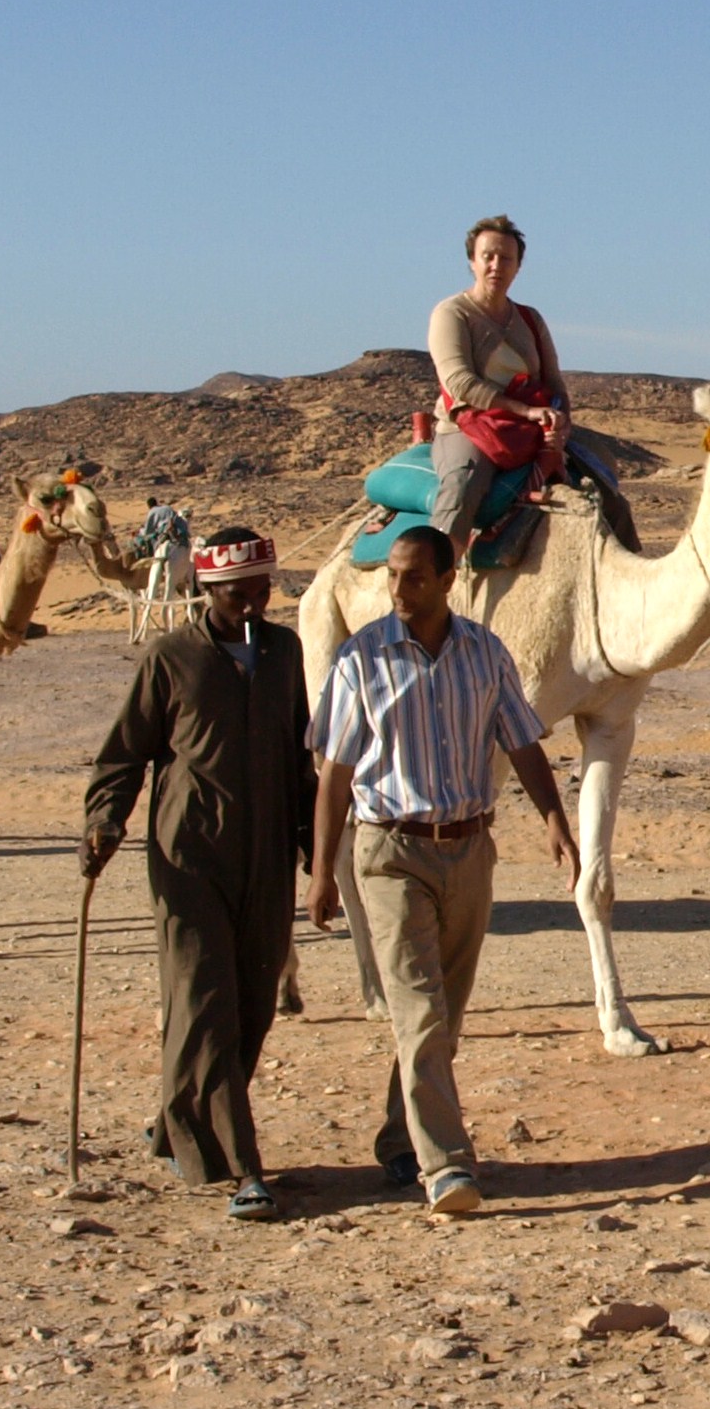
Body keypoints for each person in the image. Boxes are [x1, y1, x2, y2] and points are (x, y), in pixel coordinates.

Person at [305, 524, 578, 1215]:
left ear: (448, 579)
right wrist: (320, 871)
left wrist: (554, 820)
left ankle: (401, 1136)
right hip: (389, 853)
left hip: (468, 849)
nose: (398, 590)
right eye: (392, 576)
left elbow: (521, 743)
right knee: (420, 1012)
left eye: (414, 577)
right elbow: (334, 776)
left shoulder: (485, 654)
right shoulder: (359, 660)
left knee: (442, 1019)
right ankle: (447, 1167)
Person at [80, 527, 317, 1222]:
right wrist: (104, 821)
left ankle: (178, 1120)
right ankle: (240, 1165)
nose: (252, 604)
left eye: (261, 590)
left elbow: (297, 753)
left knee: (251, 1003)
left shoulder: (283, 653)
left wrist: (312, 843)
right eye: (238, 593)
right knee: (205, 1003)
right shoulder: (171, 657)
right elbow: (124, 752)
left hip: (266, 853)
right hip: (188, 855)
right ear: (207, 592)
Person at [426, 215, 573, 551]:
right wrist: (524, 410)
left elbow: (553, 382)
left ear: (518, 266)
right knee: (463, 487)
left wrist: (561, 421)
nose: (496, 265)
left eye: (506, 258)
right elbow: (460, 382)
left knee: (603, 479)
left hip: (532, 429)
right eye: (487, 256)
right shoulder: (453, 314)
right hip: (470, 429)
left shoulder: (530, 319)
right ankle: (438, 576)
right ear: (472, 262)